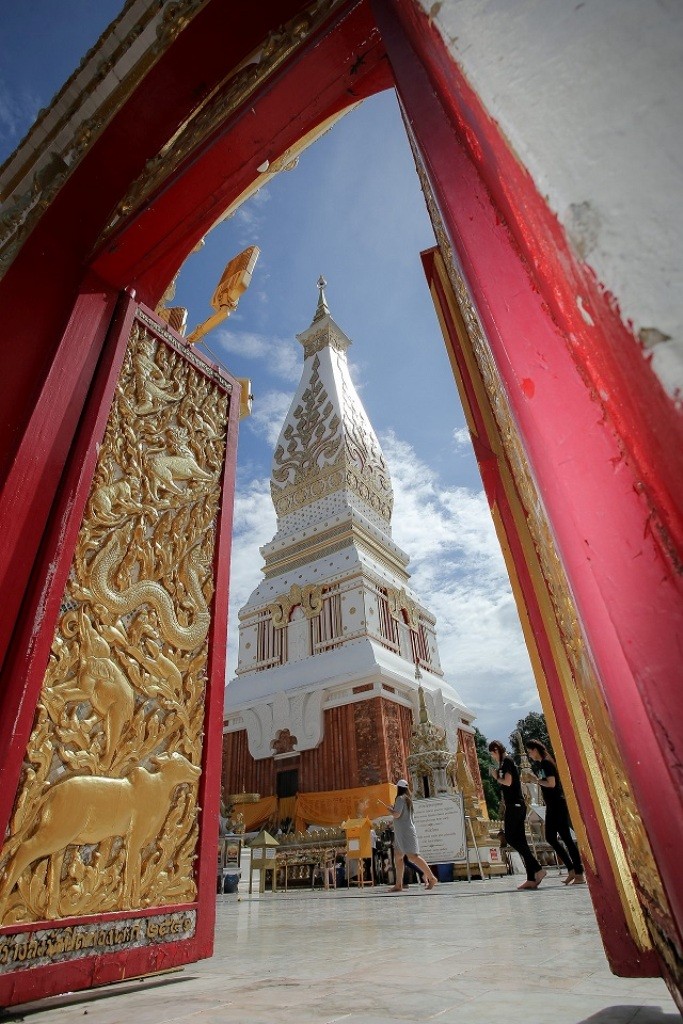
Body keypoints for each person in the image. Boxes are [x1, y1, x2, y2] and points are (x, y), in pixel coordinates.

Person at [525, 738, 585, 885]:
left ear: (535, 749)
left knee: (565, 839)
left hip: (557, 804)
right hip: (552, 805)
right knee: (552, 837)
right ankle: (572, 869)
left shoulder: (546, 762)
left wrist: (535, 780)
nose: (529, 755)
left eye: (530, 751)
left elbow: (551, 784)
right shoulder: (542, 765)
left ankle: (578, 872)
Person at [488, 740, 546, 890]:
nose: (493, 757)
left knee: (511, 838)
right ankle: (531, 878)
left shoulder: (507, 761)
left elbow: (508, 782)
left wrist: (496, 777)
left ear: (497, 750)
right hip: (517, 805)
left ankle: (538, 869)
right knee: (521, 841)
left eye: (493, 753)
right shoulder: (505, 763)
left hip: (514, 805)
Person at [380, 779, 438, 892]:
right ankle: (398, 885)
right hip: (402, 832)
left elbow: (397, 815)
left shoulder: (400, 798)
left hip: (405, 832)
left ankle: (431, 878)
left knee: (413, 856)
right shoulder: (408, 799)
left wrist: (390, 810)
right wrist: (394, 809)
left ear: (398, 788)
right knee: (398, 856)